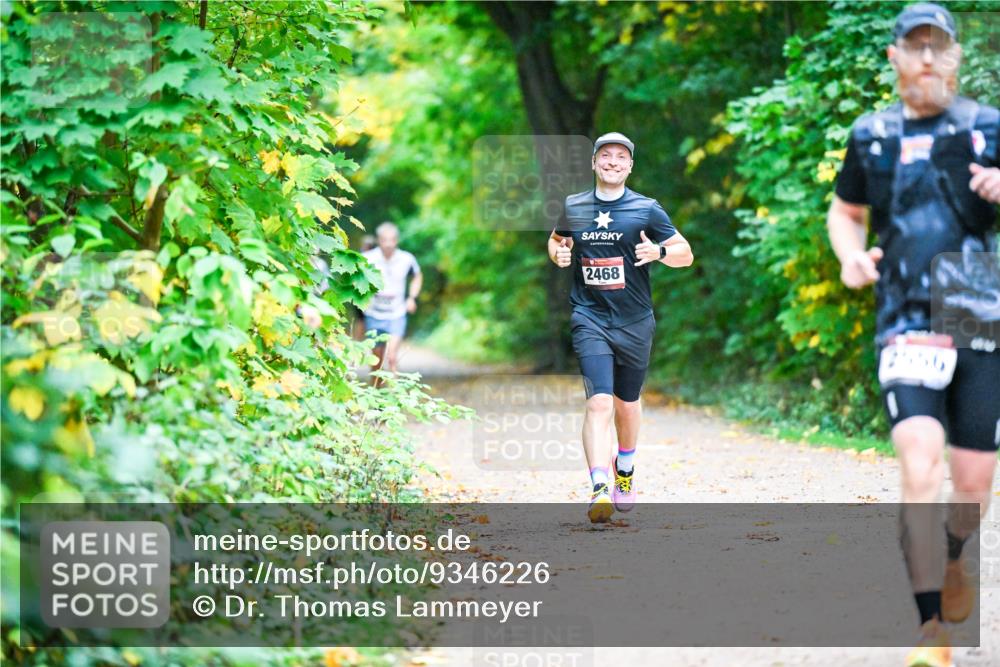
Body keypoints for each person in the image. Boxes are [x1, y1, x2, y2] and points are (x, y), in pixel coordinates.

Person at [826, 5, 999, 665]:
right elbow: (846, 211)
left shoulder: (988, 126)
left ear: (954, 58)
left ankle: (956, 552)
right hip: (904, 316)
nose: (927, 58)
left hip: (980, 315)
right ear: (895, 58)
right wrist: (850, 255)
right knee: (919, 464)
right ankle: (931, 630)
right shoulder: (870, 135)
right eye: (914, 46)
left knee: (974, 482)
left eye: (939, 47)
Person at [548, 132, 693, 523]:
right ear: (594, 163)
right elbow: (556, 240)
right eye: (606, 156)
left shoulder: (646, 209)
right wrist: (560, 255)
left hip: (634, 320)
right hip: (589, 316)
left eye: (621, 157)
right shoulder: (574, 206)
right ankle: (599, 487)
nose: (613, 162)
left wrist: (660, 252)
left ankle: (623, 470)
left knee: (627, 404)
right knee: (598, 402)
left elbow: (686, 253)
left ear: (630, 166)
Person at [363, 223, 422, 376]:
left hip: (396, 313)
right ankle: (377, 390)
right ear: (378, 240)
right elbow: (354, 278)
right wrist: (362, 297)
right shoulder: (367, 258)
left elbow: (417, 276)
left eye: (392, 240)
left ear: (396, 240)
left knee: (391, 356)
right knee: (376, 359)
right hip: (373, 314)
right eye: (384, 240)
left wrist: (412, 298)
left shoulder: (406, 259)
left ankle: (395, 394)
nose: (388, 244)